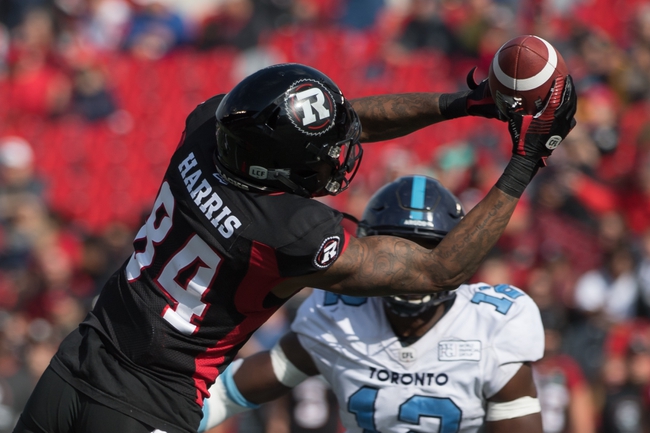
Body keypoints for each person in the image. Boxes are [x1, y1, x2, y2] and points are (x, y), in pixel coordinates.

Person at [14, 62, 576, 433]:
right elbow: (437, 270)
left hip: (81, 354)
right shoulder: (289, 229)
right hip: (150, 402)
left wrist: (464, 104)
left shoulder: (209, 128)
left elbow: (341, 120)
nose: (335, 160)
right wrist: (526, 161)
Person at [199, 175, 545, 433]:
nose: (414, 267)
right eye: (398, 249)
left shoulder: (492, 322)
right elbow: (231, 393)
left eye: (428, 250)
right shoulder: (339, 317)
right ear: (368, 250)